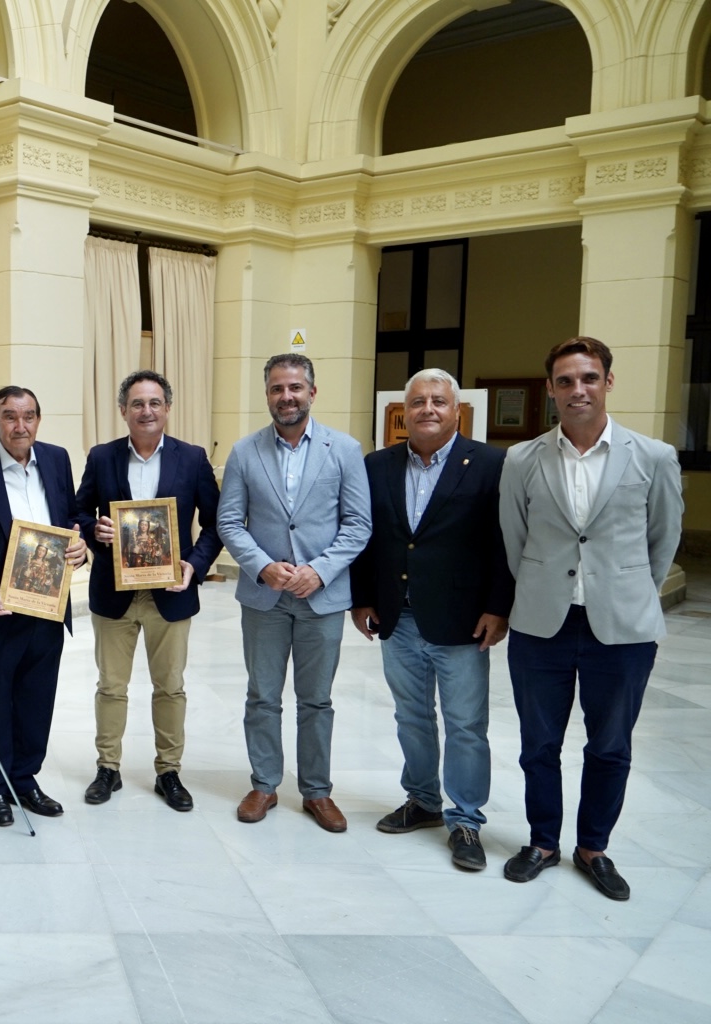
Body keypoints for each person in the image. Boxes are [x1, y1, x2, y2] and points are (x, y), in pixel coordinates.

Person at [499, 335, 683, 901]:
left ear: (607, 382)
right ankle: (543, 841)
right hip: (541, 624)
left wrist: (625, 592)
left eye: (588, 378)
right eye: (565, 381)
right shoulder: (523, 458)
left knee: (610, 745)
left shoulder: (652, 456)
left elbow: (663, 539)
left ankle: (593, 847)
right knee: (538, 743)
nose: (577, 390)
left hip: (622, 629)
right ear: (551, 389)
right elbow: (515, 537)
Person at [350, 370, 514, 871]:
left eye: (438, 401)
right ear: (404, 411)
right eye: (418, 401)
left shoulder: (491, 464)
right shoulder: (376, 465)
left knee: (466, 724)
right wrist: (362, 599)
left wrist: (498, 607)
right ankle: (422, 800)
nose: (428, 409)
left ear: (456, 410)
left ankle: (465, 818)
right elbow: (364, 535)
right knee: (411, 715)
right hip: (397, 616)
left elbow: (505, 543)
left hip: (463, 620)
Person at [216, 354, 371, 831]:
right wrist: (262, 566)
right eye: (277, 389)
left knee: (316, 699)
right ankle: (264, 784)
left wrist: (319, 571)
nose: (287, 396)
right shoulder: (245, 451)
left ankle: (317, 792)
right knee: (262, 695)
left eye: (295, 388)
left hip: (320, 598)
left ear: (312, 392)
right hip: (264, 597)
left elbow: (358, 524)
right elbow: (229, 521)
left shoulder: (343, 449)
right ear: (267, 395)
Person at [76, 370, 223, 810]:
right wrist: (93, 529)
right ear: (123, 411)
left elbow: (216, 526)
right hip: (113, 592)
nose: (146, 411)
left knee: (171, 687)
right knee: (111, 686)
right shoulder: (102, 457)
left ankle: (169, 772)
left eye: (154, 403)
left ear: (167, 409)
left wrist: (194, 566)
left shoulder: (192, 459)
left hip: (171, 593)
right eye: (137, 403)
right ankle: (108, 768)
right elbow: (79, 511)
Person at [0, 386, 87, 827]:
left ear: (39, 421)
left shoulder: (57, 458)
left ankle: (25, 780)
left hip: (46, 606)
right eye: (10, 416)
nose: (20, 425)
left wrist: (79, 545)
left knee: (36, 698)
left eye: (28, 416)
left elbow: (71, 518)